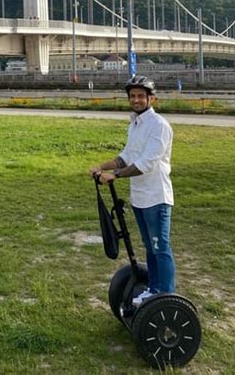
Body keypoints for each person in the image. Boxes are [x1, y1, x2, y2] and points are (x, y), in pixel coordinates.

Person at [89, 75, 175, 306]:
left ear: (151, 98)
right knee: (149, 247)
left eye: (141, 96)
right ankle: (154, 288)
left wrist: (114, 175)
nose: (136, 100)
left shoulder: (159, 126)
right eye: (132, 96)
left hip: (157, 197)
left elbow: (146, 163)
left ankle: (166, 296)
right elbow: (126, 157)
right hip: (140, 198)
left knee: (160, 248)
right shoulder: (135, 124)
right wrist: (102, 166)